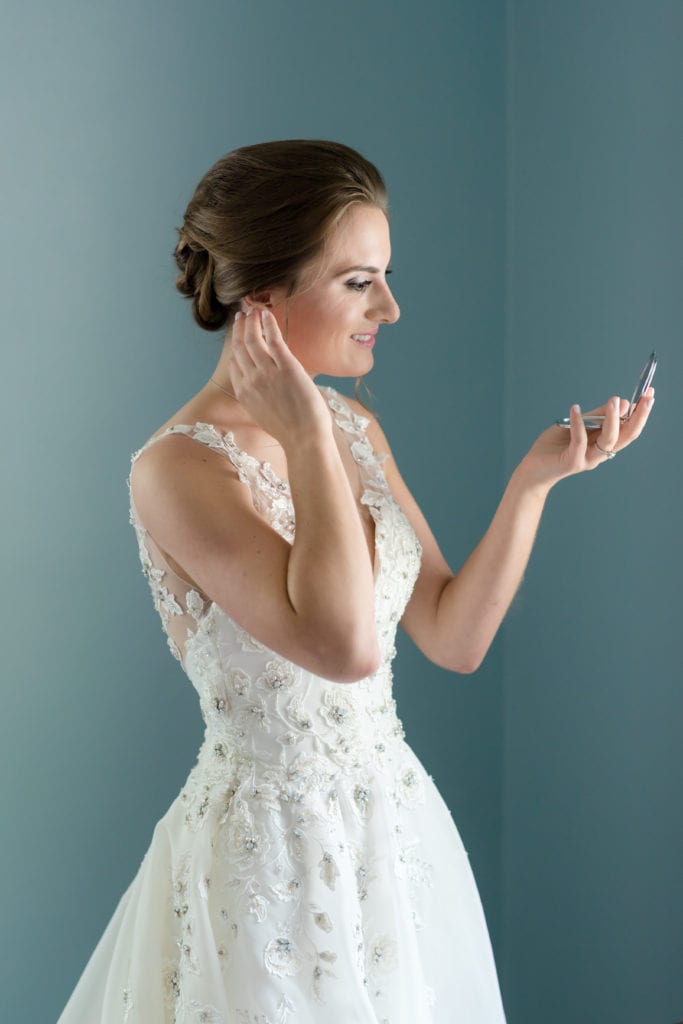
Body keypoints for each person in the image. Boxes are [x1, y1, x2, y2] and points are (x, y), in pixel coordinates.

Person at [57, 140, 654, 1024]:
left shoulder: (352, 428)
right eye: (357, 281)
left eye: (384, 277)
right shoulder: (178, 471)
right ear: (261, 297)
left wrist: (535, 479)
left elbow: (453, 637)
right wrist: (302, 441)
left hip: (394, 838)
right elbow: (342, 646)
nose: (390, 306)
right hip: (265, 870)